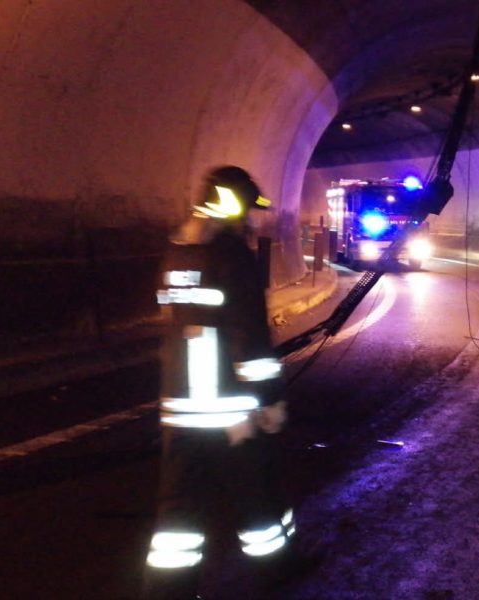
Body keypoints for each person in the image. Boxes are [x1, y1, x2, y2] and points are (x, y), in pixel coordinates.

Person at [143, 166, 296, 598]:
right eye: (248, 207)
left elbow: (168, 314)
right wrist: (269, 399)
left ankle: (167, 589)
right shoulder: (231, 254)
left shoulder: (176, 249)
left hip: (179, 404)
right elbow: (248, 334)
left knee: (178, 503)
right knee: (256, 492)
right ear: (234, 205)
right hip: (230, 408)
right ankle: (276, 572)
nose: (251, 217)